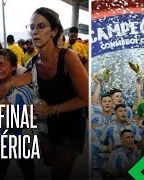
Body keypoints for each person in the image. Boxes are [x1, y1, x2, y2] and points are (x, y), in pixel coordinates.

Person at [26, 7, 88, 179]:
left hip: (70, 127)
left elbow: (86, 98)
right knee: (47, 161)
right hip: (47, 127)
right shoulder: (32, 63)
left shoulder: (68, 57)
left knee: (58, 174)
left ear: (54, 31)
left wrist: (51, 109)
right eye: (32, 27)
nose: (35, 32)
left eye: (41, 26)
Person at [0, 49, 36, 180]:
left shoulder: (24, 91)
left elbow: (29, 121)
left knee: (28, 171)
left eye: (2, 64)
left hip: (23, 144)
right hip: (1, 144)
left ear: (14, 66)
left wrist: (7, 110)